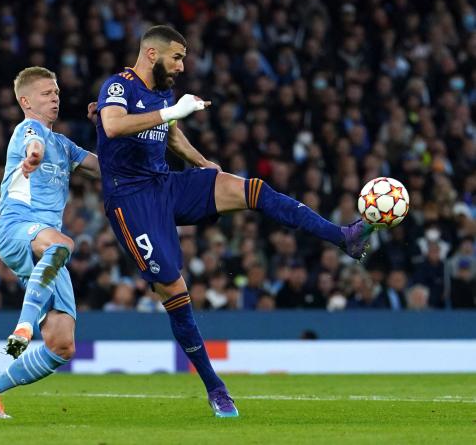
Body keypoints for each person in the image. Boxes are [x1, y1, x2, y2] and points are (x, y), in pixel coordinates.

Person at [94, 25, 372, 418]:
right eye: (177, 57)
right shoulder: (119, 86)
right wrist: (172, 111)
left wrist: (203, 163)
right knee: (174, 287)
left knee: (251, 189)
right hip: (131, 200)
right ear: (152, 54)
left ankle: (343, 237)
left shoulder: (161, 92)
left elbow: (170, 134)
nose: (182, 66)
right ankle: (215, 388)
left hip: (166, 185)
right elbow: (112, 125)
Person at [0, 66, 99, 419]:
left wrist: (112, 127)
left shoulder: (65, 145)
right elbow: (34, 143)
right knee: (63, 244)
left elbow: (104, 168)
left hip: (44, 250)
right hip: (18, 228)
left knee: (62, 346)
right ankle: (24, 326)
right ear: (26, 100)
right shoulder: (28, 130)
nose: (55, 97)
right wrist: (33, 157)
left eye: (56, 92)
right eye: (46, 93)